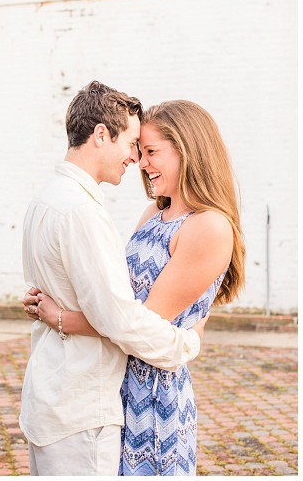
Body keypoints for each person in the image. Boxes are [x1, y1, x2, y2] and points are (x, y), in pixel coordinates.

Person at [29, 99, 245, 475]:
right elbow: (118, 302)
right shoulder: (153, 215)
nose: (142, 163)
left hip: (154, 394)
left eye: (151, 152)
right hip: (115, 382)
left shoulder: (209, 227)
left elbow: (137, 320)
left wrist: (61, 317)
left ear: (187, 151)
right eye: (139, 151)